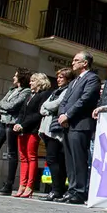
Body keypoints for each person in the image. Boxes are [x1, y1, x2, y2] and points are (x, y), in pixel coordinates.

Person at [57, 51, 101, 204]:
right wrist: (62, 114)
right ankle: (72, 189)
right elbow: (64, 100)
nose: (72, 63)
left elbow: (85, 99)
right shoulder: (74, 81)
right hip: (68, 125)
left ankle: (80, 191)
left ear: (85, 63)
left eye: (76, 60)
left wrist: (68, 115)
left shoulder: (92, 78)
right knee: (69, 159)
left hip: (80, 124)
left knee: (79, 159)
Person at [12, 73, 52, 198]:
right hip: (22, 129)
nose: (30, 83)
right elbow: (22, 112)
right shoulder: (30, 95)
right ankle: (21, 185)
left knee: (31, 157)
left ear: (40, 82)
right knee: (23, 157)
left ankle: (30, 186)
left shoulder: (44, 95)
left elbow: (38, 114)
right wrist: (17, 123)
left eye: (33, 81)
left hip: (32, 129)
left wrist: (23, 124)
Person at [39, 68, 74, 202]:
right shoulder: (55, 91)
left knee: (55, 159)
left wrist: (48, 107)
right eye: (58, 77)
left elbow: (57, 105)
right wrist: (48, 107)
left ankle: (57, 189)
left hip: (56, 130)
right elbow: (43, 107)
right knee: (52, 159)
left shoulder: (67, 91)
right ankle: (56, 189)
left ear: (68, 79)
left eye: (61, 77)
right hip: (47, 129)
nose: (58, 79)